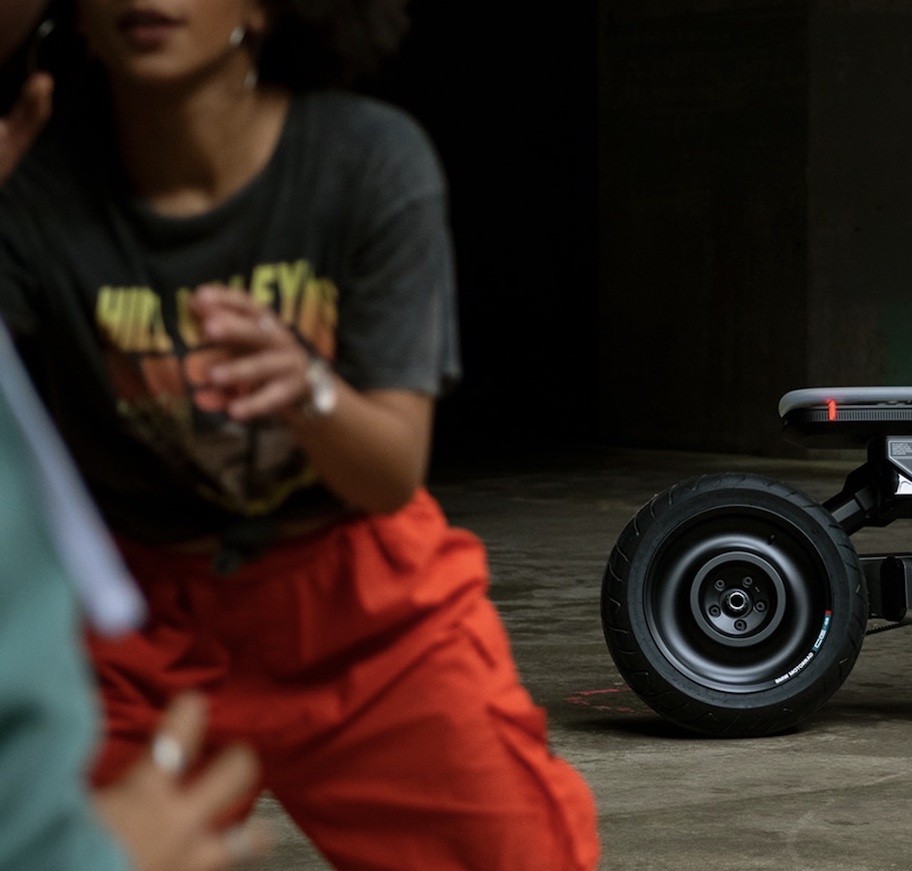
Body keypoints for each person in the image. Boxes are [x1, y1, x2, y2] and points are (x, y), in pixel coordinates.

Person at [0, 1, 599, 867]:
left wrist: (309, 388)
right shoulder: (39, 183)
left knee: (521, 849)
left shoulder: (366, 160)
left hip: (356, 602)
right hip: (138, 622)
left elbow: (391, 472)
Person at [5, 2, 267, 868]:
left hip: (327, 574)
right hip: (138, 583)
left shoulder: (355, 159)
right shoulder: (45, 206)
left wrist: (314, 393)